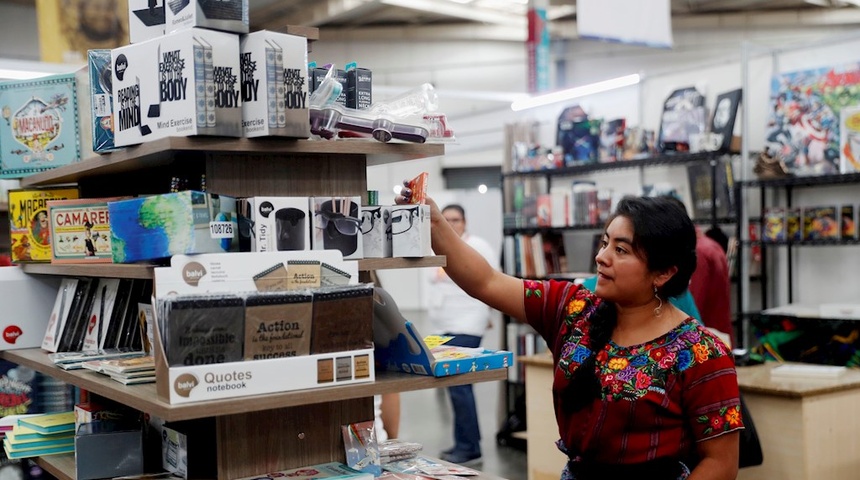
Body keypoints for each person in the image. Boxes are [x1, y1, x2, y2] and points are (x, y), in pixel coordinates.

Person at [397, 187, 742, 479]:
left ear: (663, 272)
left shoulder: (700, 352)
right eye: (605, 243)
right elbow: (486, 281)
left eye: (620, 250)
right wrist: (436, 224)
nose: (601, 257)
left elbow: (721, 462)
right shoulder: (574, 309)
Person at [427, 204, 497, 465]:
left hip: (468, 324)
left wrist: (486, 316)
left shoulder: (478, 245)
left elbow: (493, 281)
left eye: (455, 220)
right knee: (454, 386)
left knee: (459, 385)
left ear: (465, 222)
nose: (451, 224)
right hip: (442, 327)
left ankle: (468, 447)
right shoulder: (435, 247)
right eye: (446, 220)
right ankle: (466, 443)